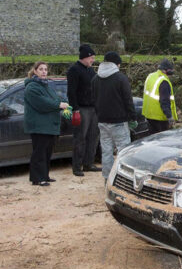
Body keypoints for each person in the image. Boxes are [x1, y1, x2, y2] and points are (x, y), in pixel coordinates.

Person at [92, 51, 138, 180]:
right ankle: (124, 179)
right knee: (124, 152)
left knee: (106, 152)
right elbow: (128, 100)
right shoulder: (120, 78)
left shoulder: (95, 79)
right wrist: (132, 117)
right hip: (119, 122)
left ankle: (107, 179)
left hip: (102, 121)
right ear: (116, 64)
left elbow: (94, 99)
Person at [24, 61, 70, 186]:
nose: (44, 72)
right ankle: (37, 178)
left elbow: (55, 98)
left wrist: (65, 103)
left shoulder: (45, 86)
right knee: (39, 152)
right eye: (41, 69)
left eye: (45, 69)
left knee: (47, 152)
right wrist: (59, 105)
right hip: (39, 126)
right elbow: (42, 103)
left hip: (49, 125)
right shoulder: (32, 87)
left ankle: (44, 175)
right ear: (35, 71)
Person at [67, 44, 99, 176]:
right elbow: (71, 92)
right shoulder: (74, 70)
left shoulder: (91, 71)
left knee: (93, 137)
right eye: (92, 57)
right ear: (85, 57)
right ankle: (77, 166)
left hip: (93, 108)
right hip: (82, 108)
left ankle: (88, 163)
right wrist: (75, 109)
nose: (93, 60)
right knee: (80, 138)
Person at [142, 58, 177, 134]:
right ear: (165, 70)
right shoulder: (163, 81)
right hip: (160, 118)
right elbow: (164, 101)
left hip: (149, 115)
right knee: (162, 141)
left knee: (152, 140)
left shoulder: (150, 76)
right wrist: (169, 117)